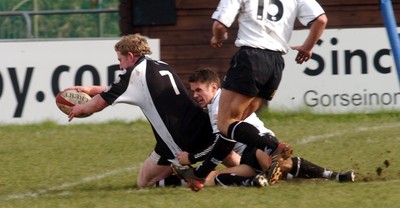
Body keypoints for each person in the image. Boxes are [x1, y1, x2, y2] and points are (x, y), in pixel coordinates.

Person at [172, 0, 328, 191]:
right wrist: (307, 46)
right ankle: (200, 174)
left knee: (225, 123)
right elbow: (321, 20)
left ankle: (273, 147)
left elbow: (219, 25)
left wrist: (217, 37)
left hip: (251, 57)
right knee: (236, 124)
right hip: (276, 63)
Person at [65, 34, 229, 188]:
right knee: (231, 157)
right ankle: (241, 175)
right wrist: (89, 89)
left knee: (146, 183)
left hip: (177, 137)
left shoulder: (134, 74)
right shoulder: (161, 64)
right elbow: (112, 90)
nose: (120, 66)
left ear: (130, 56)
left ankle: (215, 178)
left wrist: (81, 108)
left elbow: (99, 104)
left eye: (120, 60)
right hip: (198, 123)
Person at [165, 68, 354, 188]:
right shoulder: (214, 106)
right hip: (246, 158)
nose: (195, 95)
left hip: (260, 145)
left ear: (214, 87)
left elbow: (221, 143)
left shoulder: (220, 106)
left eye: (199, 90)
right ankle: (254, 181)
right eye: (192, 91)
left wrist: (192, 158)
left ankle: (334, 175)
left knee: (267, 163)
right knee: (210, 178)